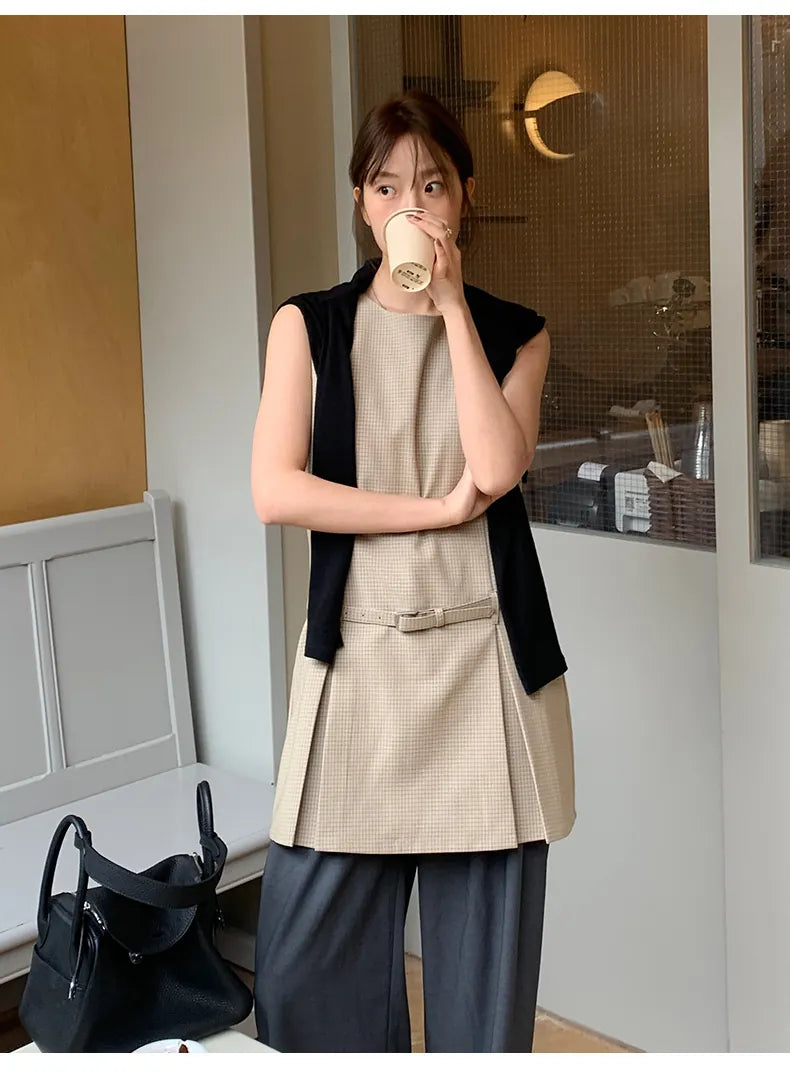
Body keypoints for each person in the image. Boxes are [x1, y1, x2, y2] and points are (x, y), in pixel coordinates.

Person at [249, 89, 576, 1054]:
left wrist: (452, 309)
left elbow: (497, 467)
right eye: (387, 186)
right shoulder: (309, 327)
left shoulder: (516, 332)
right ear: (361, 202)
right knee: (306, 990)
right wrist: (431, 513)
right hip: (356, 670)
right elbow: (276, 490)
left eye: (432, 186)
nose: (411, 206)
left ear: (465, 197)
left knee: (482, 1009)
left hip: (486, 675)